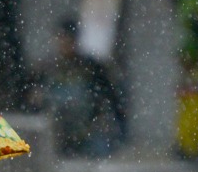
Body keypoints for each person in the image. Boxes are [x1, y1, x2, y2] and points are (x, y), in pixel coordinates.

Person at [32, 17, 127, 158]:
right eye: (62, 39)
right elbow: (33, 101)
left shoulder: (91, 67)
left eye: (69, 40)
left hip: (88, 133)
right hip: (57, 135)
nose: (65, 44)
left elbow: (111, 98)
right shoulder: (46, 69)